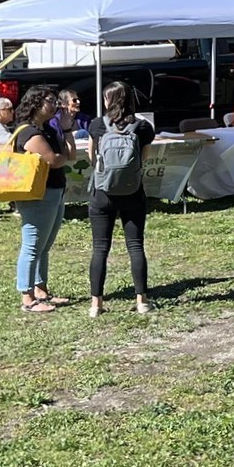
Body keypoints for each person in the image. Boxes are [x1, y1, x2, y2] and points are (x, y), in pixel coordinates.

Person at [85, 81, 155, 316]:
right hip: (132, 191)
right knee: (135, 246)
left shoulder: (96, 125)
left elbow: (92, 156)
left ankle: (96, 304)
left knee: (100, 248)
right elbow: (143, 159)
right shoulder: (143, 127)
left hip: (102, 193)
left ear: (108, 101)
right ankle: (142, 301)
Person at [9, 84, 76, 313]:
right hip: (37, 194)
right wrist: (61, 156)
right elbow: (54, 160)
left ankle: (41, 291)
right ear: (36, 103)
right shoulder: (28, 132)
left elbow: (71, 155)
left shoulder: (47, 129)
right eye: (50, 100)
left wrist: (66, 129)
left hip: (55, 191)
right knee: (32, 245)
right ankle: (27, 298)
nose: (55, 105)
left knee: (44, 246)